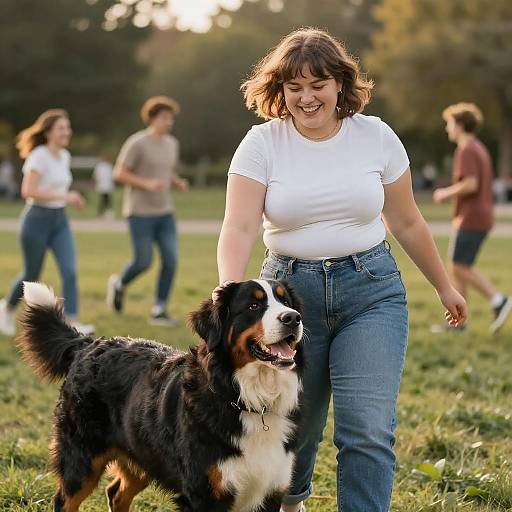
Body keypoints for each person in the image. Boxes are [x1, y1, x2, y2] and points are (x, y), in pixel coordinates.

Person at [215, 28, 466, 512]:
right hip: (287, 297)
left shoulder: (375, 136)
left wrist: (444, 286)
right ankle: (291, 499)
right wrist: (229, 286)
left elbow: (407, 220)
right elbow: (240, 223)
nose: (307, 98)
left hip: (371, 292)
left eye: (318, 84)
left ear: (340, 84)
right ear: (280, 91)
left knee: (367, 428)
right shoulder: (261, 143)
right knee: (295, 423)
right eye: (294, 87)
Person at [0, 109, 94, 337]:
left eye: (68, 127)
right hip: (36, 220)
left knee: (70, 270)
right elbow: (28, 190)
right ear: (49, 132)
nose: (67, 132)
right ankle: (6, 308)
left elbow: (57, 187)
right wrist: (66, 196)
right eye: (61, 128)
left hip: (59, 220)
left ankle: (72, 321)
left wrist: (72, 196)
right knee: (30, 273)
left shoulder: (64, 156)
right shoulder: (38, 156)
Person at [107, 96, 189, 326]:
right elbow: (119, 173)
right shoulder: (137, 143)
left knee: (171, 259)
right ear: (152, 118)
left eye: (171, 118)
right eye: (164, 117)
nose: (169, 122)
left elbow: (164, 172)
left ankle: (159, 310)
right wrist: (145, 184)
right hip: (139, 212)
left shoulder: (172, 144)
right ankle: (119, 284)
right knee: (143, 261)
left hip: (165, 212)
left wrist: (176, 182)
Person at [433, 103, 511, 333]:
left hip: (472, 217)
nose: (448, 129)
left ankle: (499, 300)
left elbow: (471, 184)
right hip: (479, 216)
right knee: (457, 266)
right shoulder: (478, 147)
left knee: (459, 266)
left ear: (459, 125)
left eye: (449, 124)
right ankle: (459, 323)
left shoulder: (466, 149)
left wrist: (445, 193)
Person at [92, 154, 114, 218]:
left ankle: (106, 212)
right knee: (104, 199)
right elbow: (96, 176)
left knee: (107, 199)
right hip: (102, 185)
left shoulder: (109, 166)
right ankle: (102, 213)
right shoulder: (100, 166)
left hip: (108, 185)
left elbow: (112, 176)